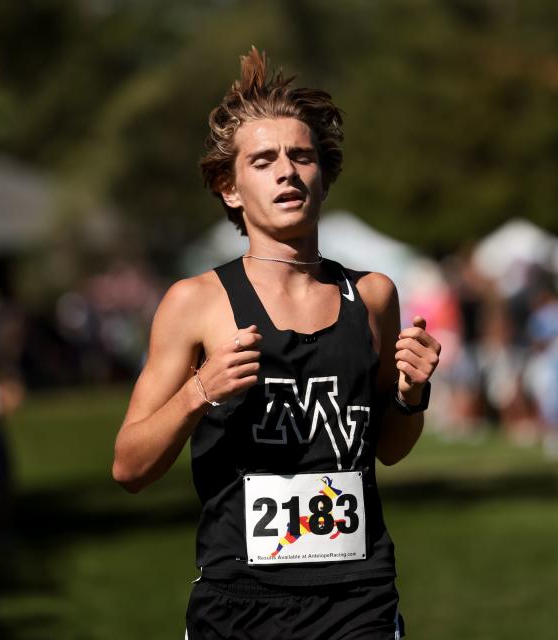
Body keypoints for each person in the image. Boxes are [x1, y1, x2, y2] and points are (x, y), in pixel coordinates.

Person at [112, 48, 441, 639]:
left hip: (357, 598)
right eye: (263, 161)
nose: (287, 172)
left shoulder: (370, 296)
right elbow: (129, 466)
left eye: (302, 156)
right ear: (229, 187)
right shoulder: (196, 302)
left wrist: (412, 395)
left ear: (324, 174)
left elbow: (390, 447)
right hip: (239, 602)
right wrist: (198, 391)